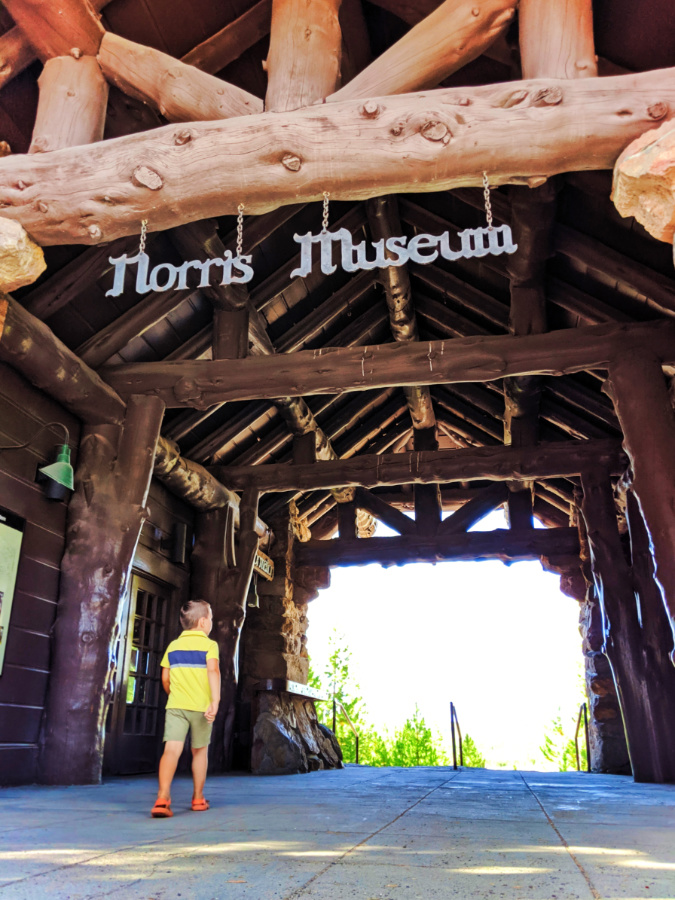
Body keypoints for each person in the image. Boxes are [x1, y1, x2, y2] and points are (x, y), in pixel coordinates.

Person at [151, 599, 220, 818]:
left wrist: (174, 695)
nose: (211, 622)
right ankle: (198, 798)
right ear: (202, 622)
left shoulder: (173, 646)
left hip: (176, 706)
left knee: (171, 750)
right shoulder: (210, 645)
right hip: (201, 707)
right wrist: (215, 701)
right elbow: (213, 672)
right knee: (199, 751)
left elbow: (165, 677)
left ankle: (162, 798)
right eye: (210, 618)